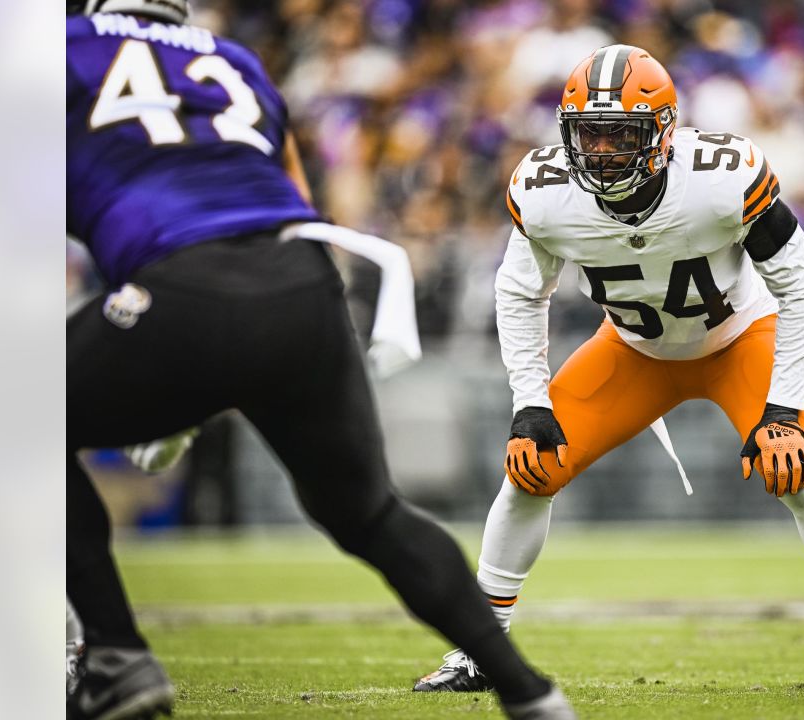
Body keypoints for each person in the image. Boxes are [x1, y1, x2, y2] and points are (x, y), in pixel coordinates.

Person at [65, 3, 574, 719]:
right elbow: (292, 194)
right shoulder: (233, 61)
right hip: (301, 284)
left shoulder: (66, 47)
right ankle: (533, 697)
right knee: (368, 513)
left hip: (180, 284)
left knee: (12, 421)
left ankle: (115, 653)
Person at [414, 45, 804, 695]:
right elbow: (519, 294)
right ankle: (481, 649)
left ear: (663, 133)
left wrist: (785, 409)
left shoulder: (722, 178)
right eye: (587, 135)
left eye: (620, 135)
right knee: (531, 466)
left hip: (739, 338)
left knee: (790, 469)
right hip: (634, 351)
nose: (600, 153)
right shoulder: (544, 194)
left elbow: (802, 286)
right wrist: (529, 402)